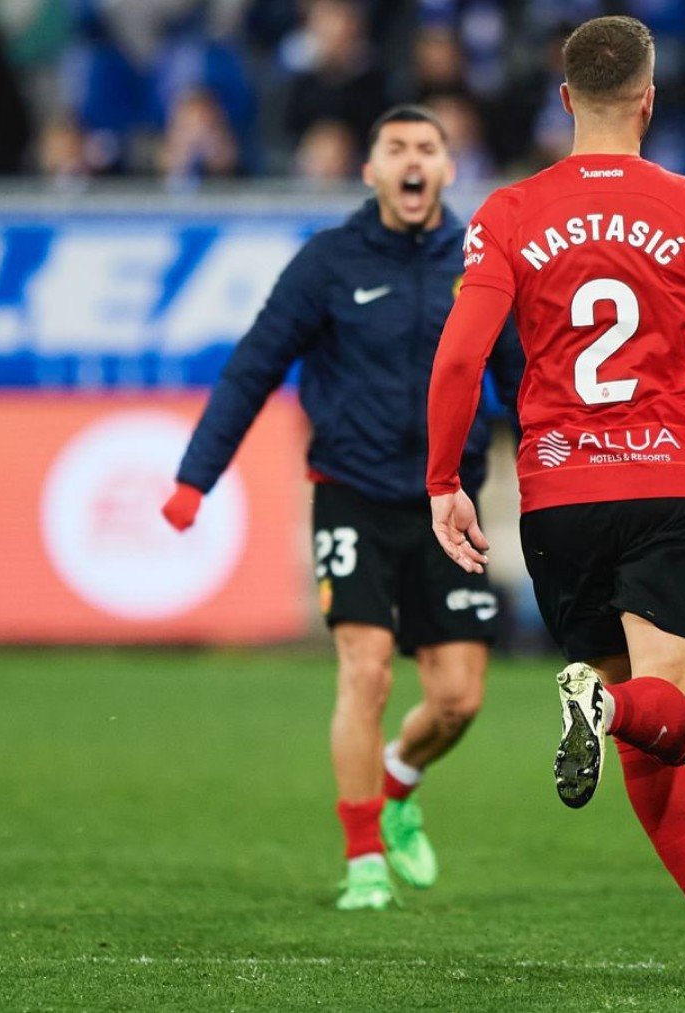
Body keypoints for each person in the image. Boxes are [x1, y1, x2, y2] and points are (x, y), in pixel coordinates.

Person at [423, 16, 685, 984]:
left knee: (640, 734)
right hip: (667, 479)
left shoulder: (506, 212)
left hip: (557, 499)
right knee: (669, 712)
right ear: (650, 99)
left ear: (563, 100)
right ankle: (601, 701)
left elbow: (460, 354)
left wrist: (443, 481)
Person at [163, 105, 520, 911]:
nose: (411, 160)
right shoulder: (327, 262)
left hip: (448, 501)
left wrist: (558, 474)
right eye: (394, 147)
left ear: (447, 166)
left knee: (460, 696)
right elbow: (253, 366)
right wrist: (195, 478)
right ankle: (363, 857)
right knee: (364, 670)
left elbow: (524, 380)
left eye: (426, 147)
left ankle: (396, 783)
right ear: (370, 171)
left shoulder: (482, 264)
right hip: (351, 494)